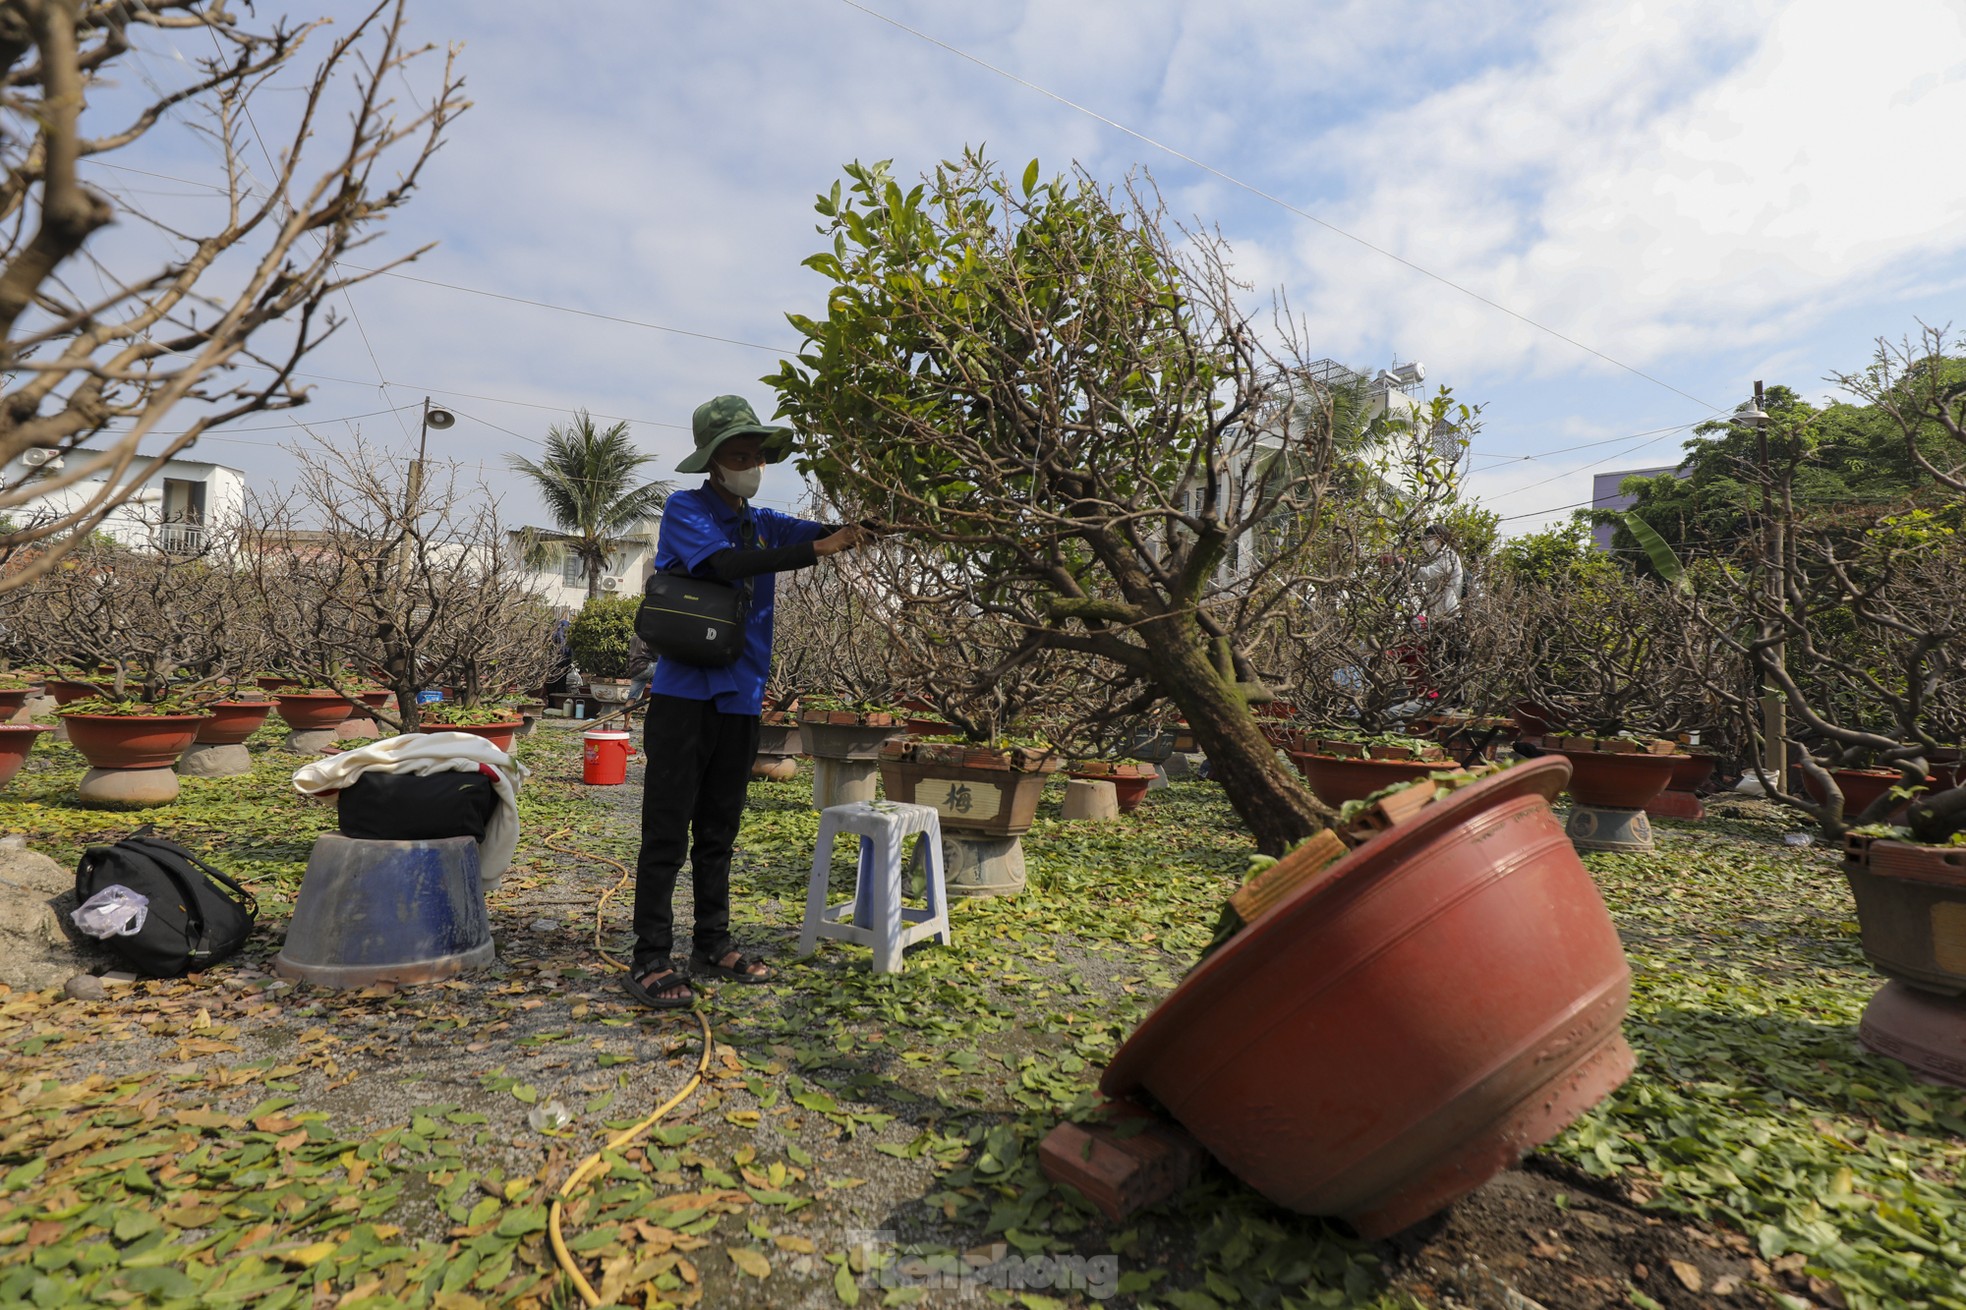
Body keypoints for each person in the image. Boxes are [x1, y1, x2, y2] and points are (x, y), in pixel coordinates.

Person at [624, 395, 874, 1010]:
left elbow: (817, 534)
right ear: (713, 461)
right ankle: (650, 956)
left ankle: (712, 941)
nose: (750, 464)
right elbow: (727, 564)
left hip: (741, 700)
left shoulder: (766, 521)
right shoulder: (687, 510)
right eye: (739, 455)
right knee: (666, 831)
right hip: (685, 698)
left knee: (720, 828)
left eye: (756, 455)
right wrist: (818, 548)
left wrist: (874, 523)